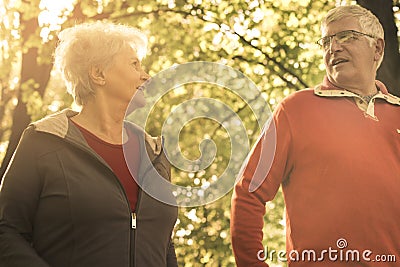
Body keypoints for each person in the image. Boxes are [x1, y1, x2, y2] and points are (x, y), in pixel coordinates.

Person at [231, 5, 400, 267]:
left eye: (346, 36)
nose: (334, 48)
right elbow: (248, 192)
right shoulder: (294, 109)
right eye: (327, 41)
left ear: (377, 48)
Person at [0, 21, 178, 267]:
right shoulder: (43, 142)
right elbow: (7, 232)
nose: (145, 75)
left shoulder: (154, 153)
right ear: (98, 74)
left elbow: (163, 243)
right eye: (134, 64)